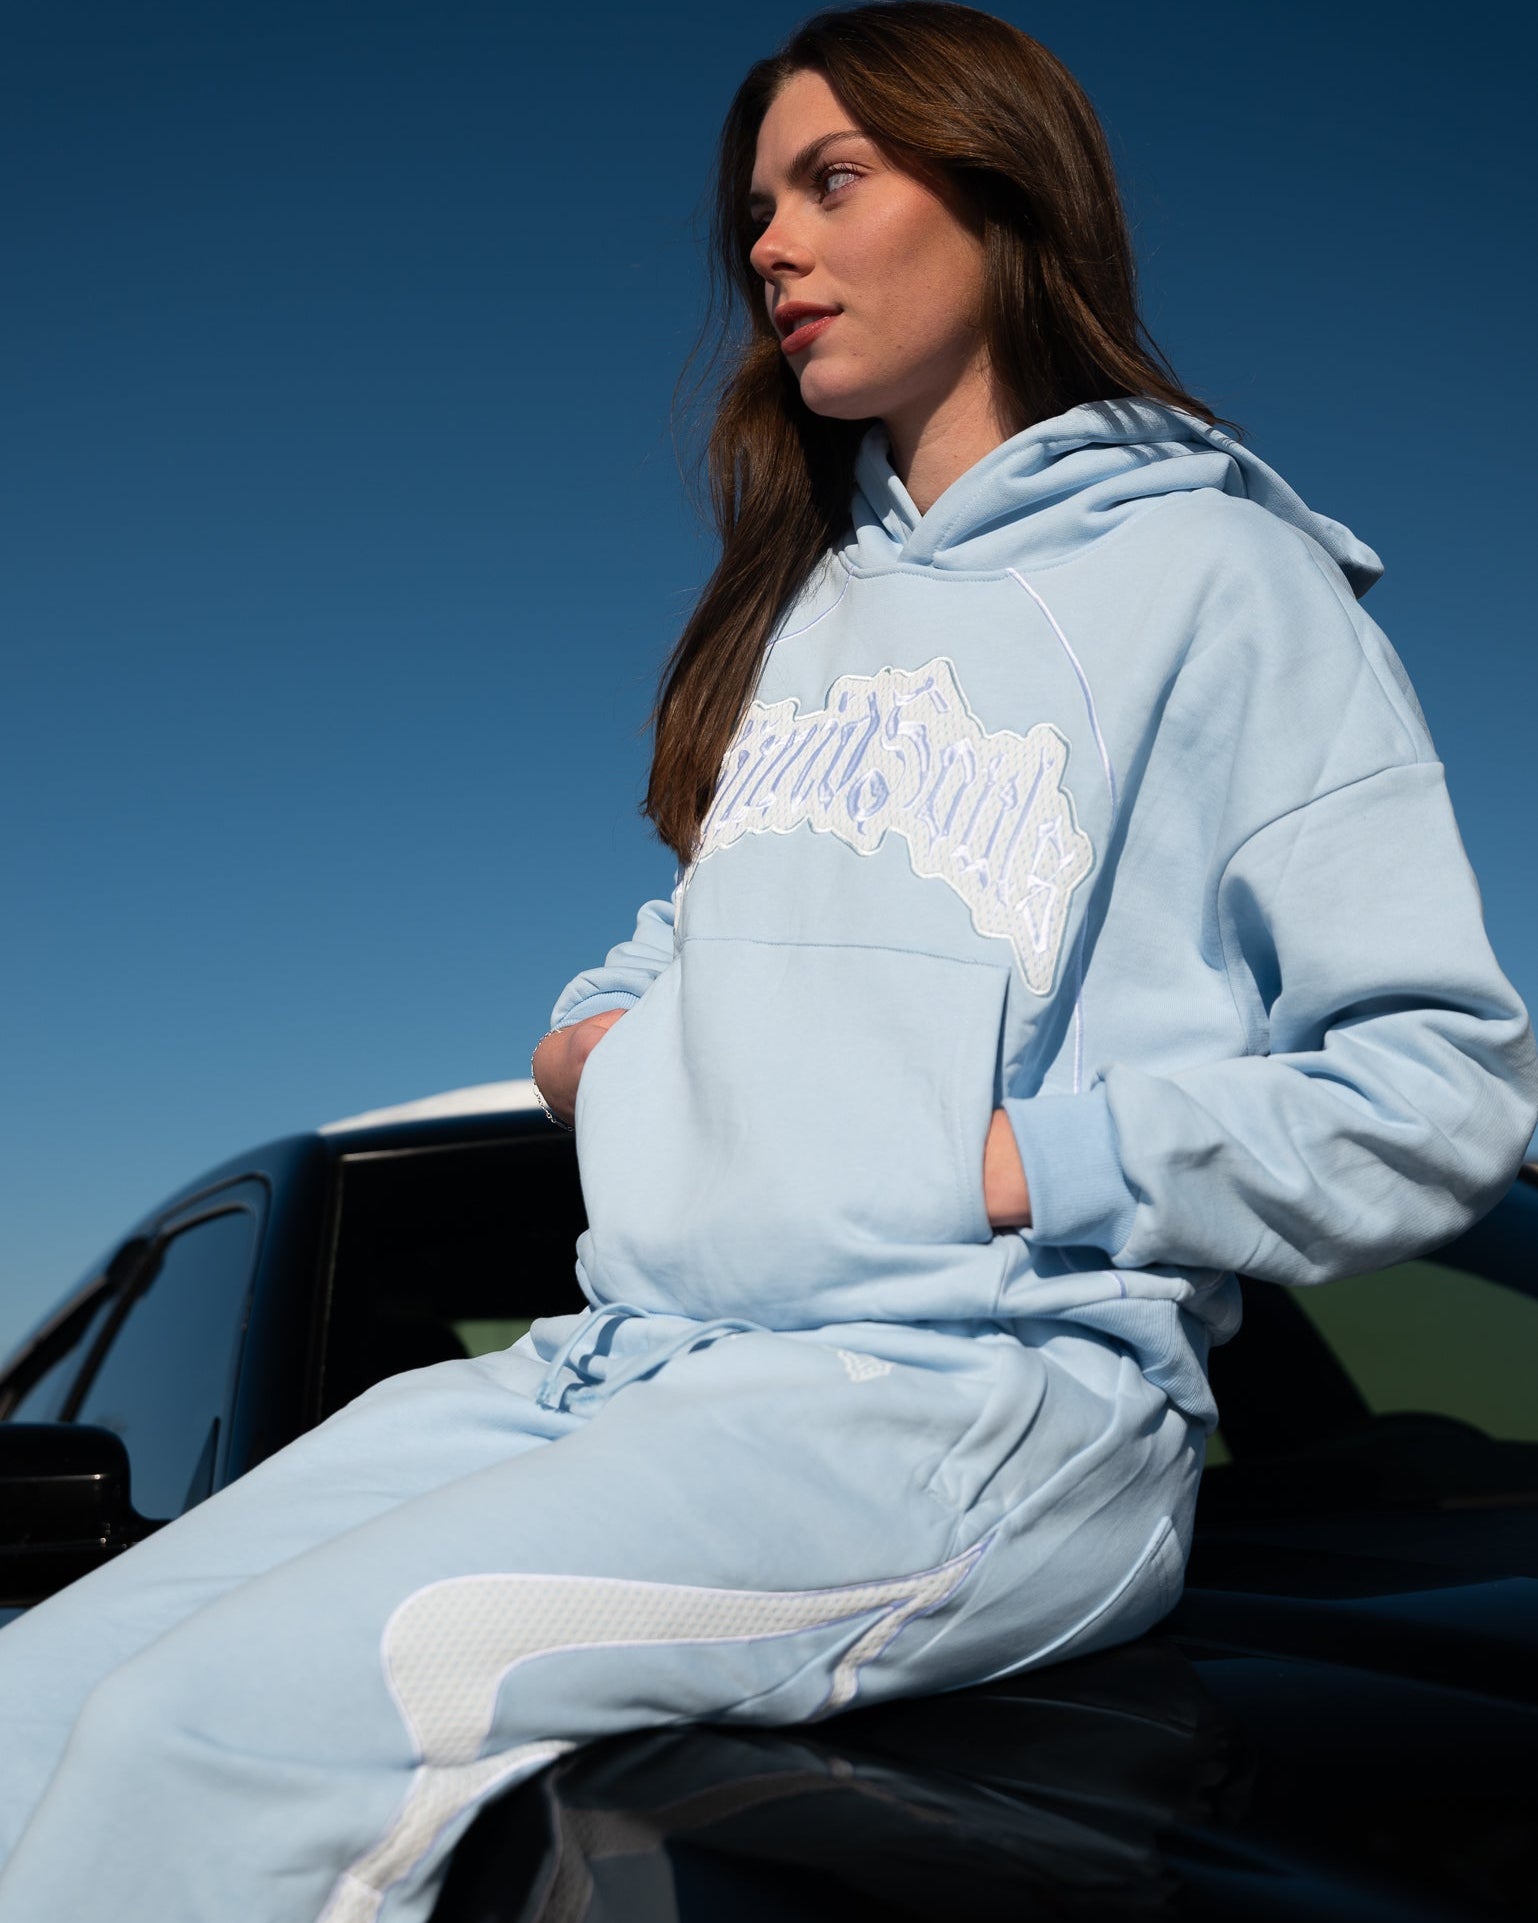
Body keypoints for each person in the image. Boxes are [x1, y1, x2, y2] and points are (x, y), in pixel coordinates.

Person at [2, 6, 1535, 1921]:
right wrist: (596, 1051)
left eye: (832, 182)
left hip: (966, 1412)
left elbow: (1439, 1081)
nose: (768, 249)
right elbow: (689, 936)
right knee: (34, 1698)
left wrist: (997, 1167)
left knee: (206, 1744)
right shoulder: (819, 606)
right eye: (754, 208)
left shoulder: (1220, 581)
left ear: (1001, 196)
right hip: (623, 1376)